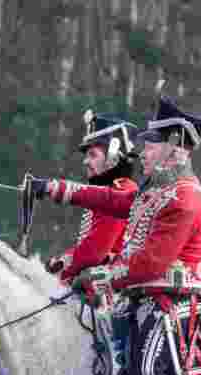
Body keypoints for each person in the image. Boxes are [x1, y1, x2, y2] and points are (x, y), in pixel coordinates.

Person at [31, 95, 201, 375]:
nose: (142, 151)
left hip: (173, 304)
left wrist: (101, 279)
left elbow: (150, 264)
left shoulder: (185, 197)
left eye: (150, 144)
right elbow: (109, 199)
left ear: (175, 147)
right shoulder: (153, 192)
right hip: (143, 299)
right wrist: (55, 189)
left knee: (149, 371)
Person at [46, 111, 139, 285]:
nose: (85, 162)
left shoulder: (122, 191)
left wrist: (57, 276)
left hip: (113, 293)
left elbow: (95, 252)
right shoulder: (109, 190)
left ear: (113, 158)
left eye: (93, 155)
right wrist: (61, 261)